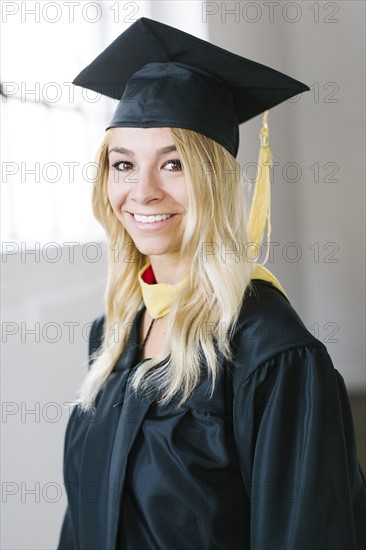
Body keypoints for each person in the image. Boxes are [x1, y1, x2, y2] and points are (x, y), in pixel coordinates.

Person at [58, 18, 366, 550]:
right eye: (123, 164)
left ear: (214, 179)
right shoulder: (111, 336)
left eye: (173, 164)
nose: (143, 191)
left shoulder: (271, 353)